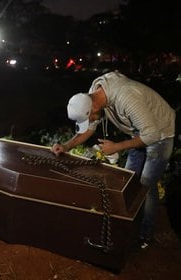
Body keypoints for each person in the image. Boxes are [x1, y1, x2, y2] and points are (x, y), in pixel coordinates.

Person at [51, 71, 176, 248]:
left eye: (89, 118)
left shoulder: (126, 96)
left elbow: (152, 134)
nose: (91, 121)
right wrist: (65, 146)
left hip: (161, 133)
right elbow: (88, 130)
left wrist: (116, 147)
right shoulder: (92, 95)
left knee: (146, 184)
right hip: (139, 132)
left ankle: (145, 235)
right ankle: (128, 224)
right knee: (128, 181)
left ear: (93, 108)